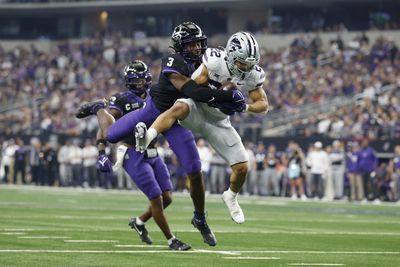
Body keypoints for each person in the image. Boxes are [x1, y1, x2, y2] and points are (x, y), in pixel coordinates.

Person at [75, 22, 244, 246]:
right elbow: (191, 90)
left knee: (195, 169)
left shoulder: (208, 59)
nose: (195, 48)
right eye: (190, 44)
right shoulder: (172, 61)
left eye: (197, 43)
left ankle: (200, 217)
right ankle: (98, 108)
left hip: (179, 118)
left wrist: (235, 89)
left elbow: (226, 74)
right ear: (180, 46)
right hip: (154, 110)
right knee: (111, 135)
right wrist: (225, 97)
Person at [135, 31, 269, 224]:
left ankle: (230, 196)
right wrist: (222, 95)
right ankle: (146, 137)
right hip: (198, 109)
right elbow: (194, 90)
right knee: (179, 106)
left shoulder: (252, 74)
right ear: (230, 55)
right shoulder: (215, 61)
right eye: (242, 63)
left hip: (219, 121)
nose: (246, 68)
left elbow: (263, 104)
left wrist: (244, 107)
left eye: (250, 64)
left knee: (242, 168)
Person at [76, 60, 191, 251]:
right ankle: (171, 240)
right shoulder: (122, 99)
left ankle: (139, 222)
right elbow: (107, 128)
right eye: (135, 81)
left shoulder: (155, 96)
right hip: (132, 152)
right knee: (156, 198)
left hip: (152, 151)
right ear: (128, 82)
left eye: (142, 80)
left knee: (167, 198)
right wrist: (102, 152)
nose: (140, 84)